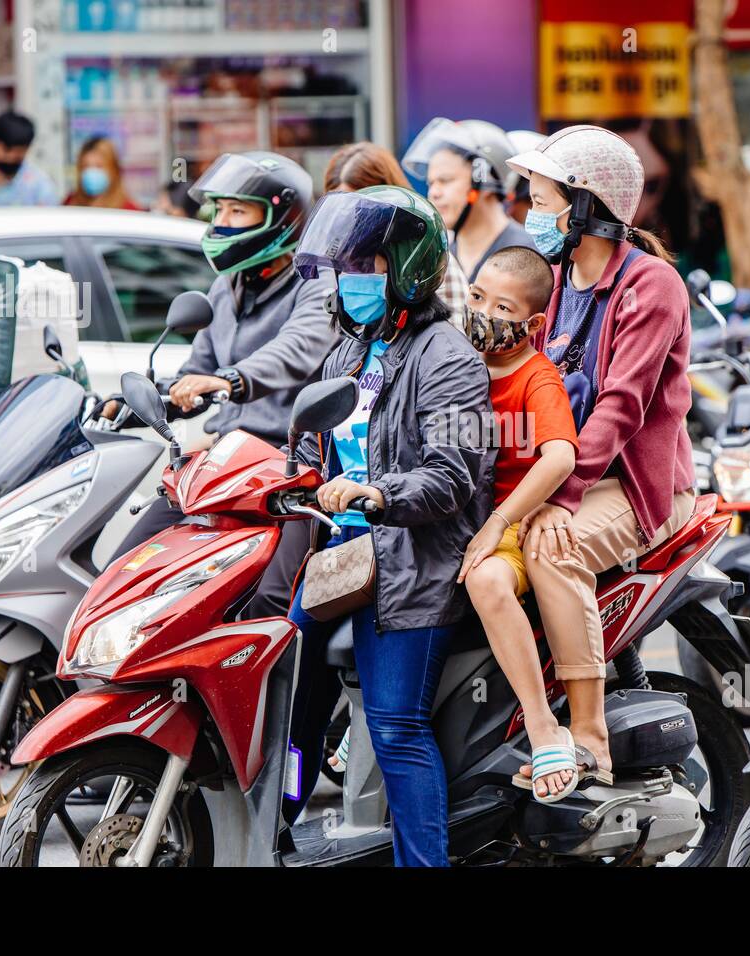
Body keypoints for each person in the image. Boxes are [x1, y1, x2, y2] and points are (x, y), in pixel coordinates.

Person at [286, 184, 492, 866]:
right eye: (343, 269)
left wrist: (376, 494)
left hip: (413, 564)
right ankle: (277, 828)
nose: (350, 284)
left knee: (397, 724)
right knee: (291, 710)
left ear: (405, 269)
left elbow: (453, 478)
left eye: (366, 268)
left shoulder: (448, 357)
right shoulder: (348, 352)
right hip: (340, 561)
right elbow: (308, 444)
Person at [506, 125, 696, 786]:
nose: (532, 213)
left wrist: (557, 496)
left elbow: (622, 406)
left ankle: (586, 736)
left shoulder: (652, 286)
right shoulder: (554, 282)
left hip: (640, 488)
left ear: (585, 206)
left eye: (542, 198)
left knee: (551, 547)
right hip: (570, 474)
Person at [112, 151, 336, 618]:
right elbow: (197, 373)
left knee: (276, 600)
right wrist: (144, 403)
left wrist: (229, 381)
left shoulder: (316, 284)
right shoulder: (225, 288)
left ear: (281, 217)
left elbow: (295, 351)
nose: (222, 222)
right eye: (218, 211)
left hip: (292, 469)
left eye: (237, 211)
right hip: (224, 463)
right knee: (125, 573)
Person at [453, 245, 584, 801]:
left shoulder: (539, 379)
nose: (483, 313)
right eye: (478, 296)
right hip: (451, 515)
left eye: (501, 308)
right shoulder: (453, 360)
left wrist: (499, 522)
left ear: (531, 323)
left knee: (485, 581)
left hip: (506, 527)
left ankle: (542, 724)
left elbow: (560, 457)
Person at [323, 140, 470, 332]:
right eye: (342, 208)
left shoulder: (428, 258)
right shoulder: (338, 262)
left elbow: (455, 340)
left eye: (360, 207)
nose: (351, 218)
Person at [402, 118, 539, 282]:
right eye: (431, 183)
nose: (433, 193)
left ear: (485, 178)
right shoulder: (439, 258)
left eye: (445, 180)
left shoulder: (528, 253)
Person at [63, 136, 141, 210]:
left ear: (114, 170)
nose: (91, 172)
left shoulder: (130, 211)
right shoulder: (70, 204)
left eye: (99, 166)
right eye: (86, 166)